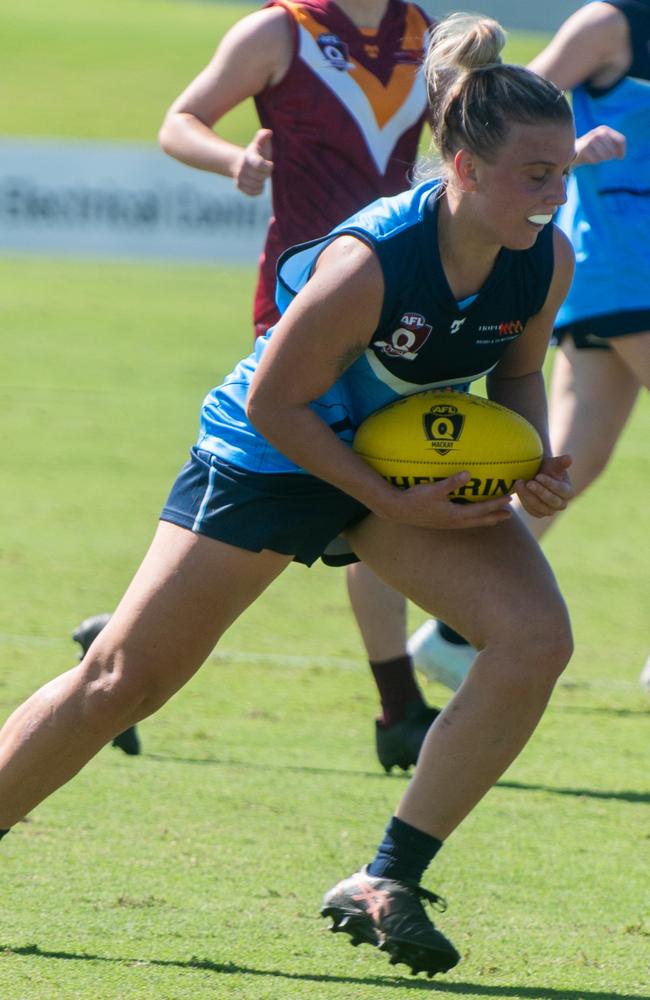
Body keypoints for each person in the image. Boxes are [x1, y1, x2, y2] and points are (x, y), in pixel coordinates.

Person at [0, 12, 577, 976]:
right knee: (122, 683)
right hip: (270, 454)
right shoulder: (370, 262)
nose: (556, 194)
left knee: (536, 638)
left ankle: (388, 875)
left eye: (563, 173)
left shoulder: (543, 255)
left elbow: (517, 375)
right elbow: (277, 402)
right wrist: (384, 500)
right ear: (465, 169)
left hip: (399, 465)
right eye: (536, 175)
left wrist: (531, 457)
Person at [75, 0, 441, 770]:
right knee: (357, 493)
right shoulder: (279, 31)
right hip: (302, 304)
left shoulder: (422, 32)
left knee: (373, 491)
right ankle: (400, 706)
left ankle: (119, 641)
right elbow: (181, 118)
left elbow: (471, 147)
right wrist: (231, 159)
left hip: (404, 299)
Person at [408, 0, 650, 693]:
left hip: (619, 278)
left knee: (573, 458)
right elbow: (496, 129)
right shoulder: (611, 24)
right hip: (621, 269)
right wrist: (577, 149)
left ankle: (456, 632)